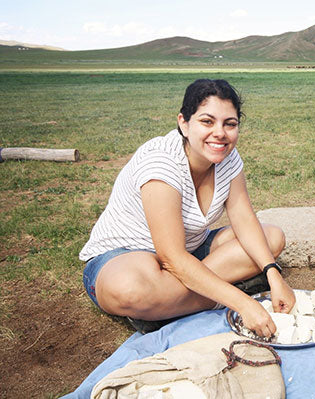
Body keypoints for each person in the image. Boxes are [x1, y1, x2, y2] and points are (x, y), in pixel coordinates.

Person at [80, 78, 295, 335]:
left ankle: (165, 307)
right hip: (126, 256)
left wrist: (273, 274)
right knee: (129, 289)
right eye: (207, 121)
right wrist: (242, 302)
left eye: (230, 124)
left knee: (271, 238)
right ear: (184, 123)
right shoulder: (161, 161)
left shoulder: (228, 157)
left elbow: (245, 220)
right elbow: (171, 257)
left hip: (191, 250)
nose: (220, 133)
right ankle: (211, 294)